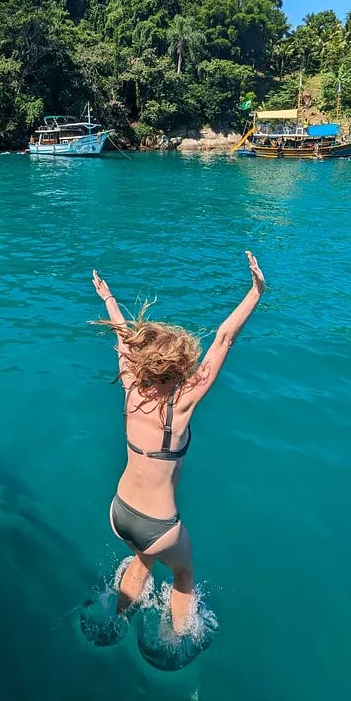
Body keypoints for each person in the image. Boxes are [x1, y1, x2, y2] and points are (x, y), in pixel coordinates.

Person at [92, 251, 265, 634]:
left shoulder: (130, 388)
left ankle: (116, 619)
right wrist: (255, 293)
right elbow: (223, 340)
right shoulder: (181, 405)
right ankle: (176, 643)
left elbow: (123, 337)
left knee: (143, 559)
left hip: (119, 512)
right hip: (159, 524)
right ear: (179, 369)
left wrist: (107, 299)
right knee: (183, 574)